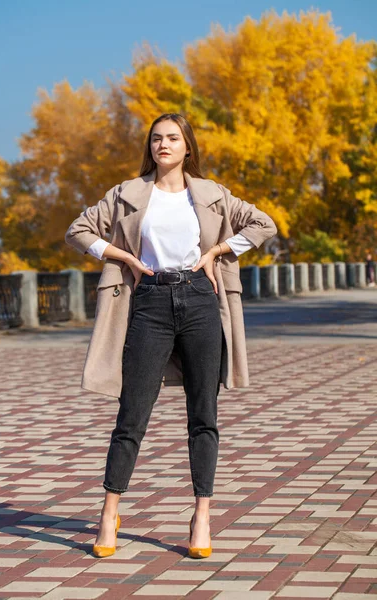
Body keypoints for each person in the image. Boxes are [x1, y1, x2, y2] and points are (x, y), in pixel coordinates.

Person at [65, 113, 277, 559]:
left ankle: (201, 516)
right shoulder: (127, 194)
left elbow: (263, 224)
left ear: (187, 147)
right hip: (149, 302)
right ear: (150, 147)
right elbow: (78, 231)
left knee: (204, 415)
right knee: (132, 413)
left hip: (200, 300)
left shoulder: (212, 194)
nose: (164, 144)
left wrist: (217, 251)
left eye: (173, 138)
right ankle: (109, 513)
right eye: (157, 138)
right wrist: (124, 255)